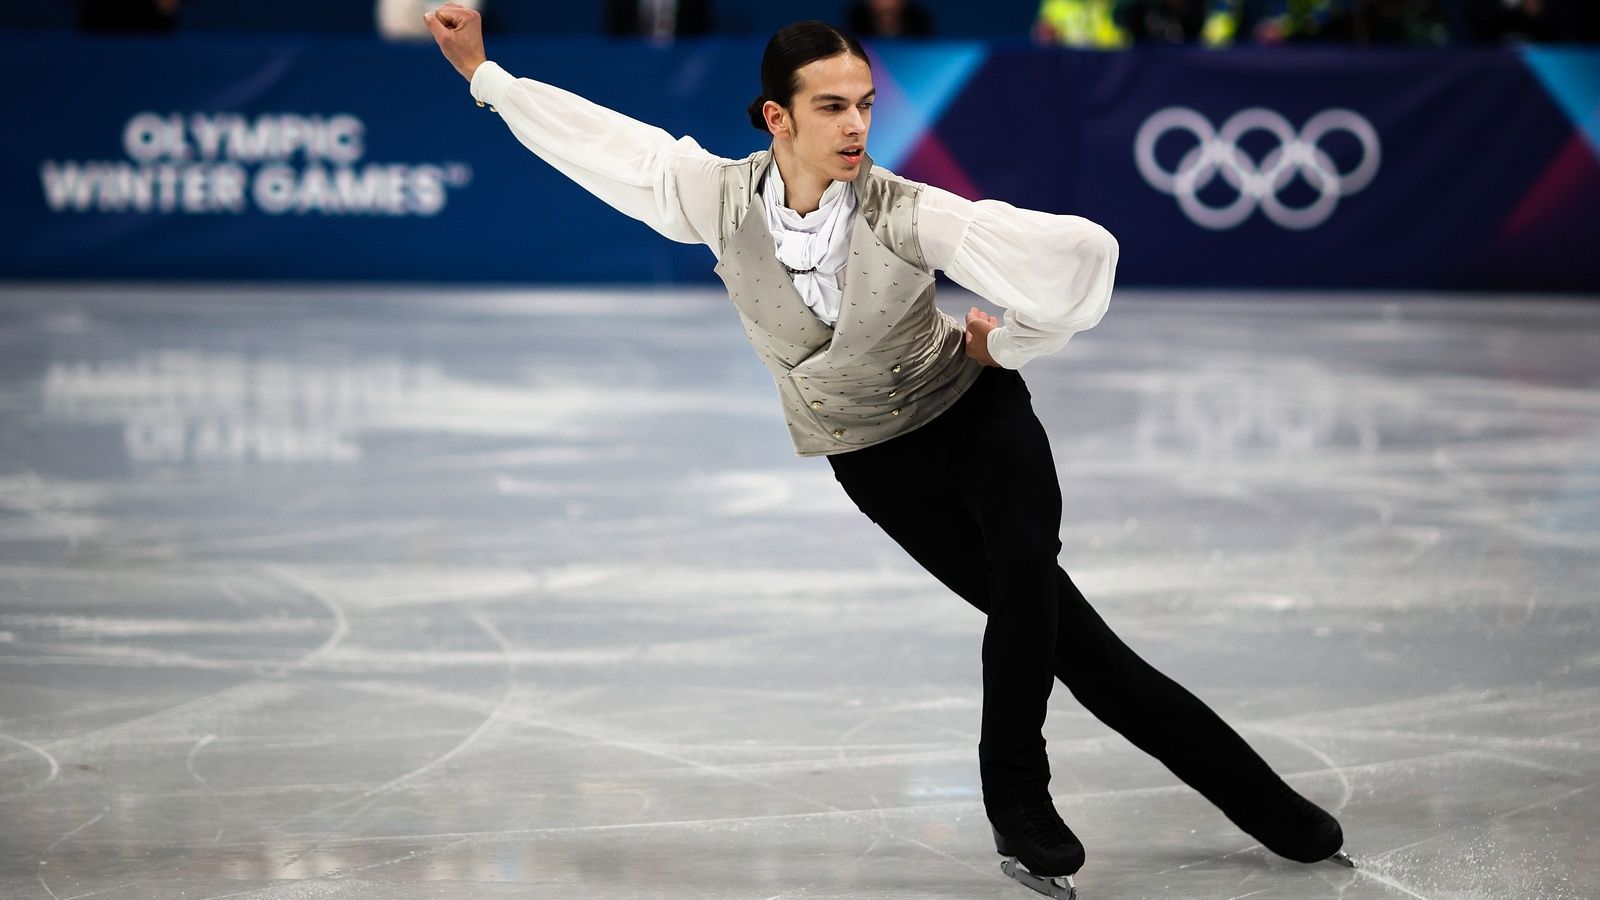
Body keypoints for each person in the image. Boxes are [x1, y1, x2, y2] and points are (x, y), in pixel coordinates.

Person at [424, 3, 1354, 894]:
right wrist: (486, 77)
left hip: (977, 415)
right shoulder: (713, 196)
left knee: (1026, 571)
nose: (856, 124)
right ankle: (1278, 815)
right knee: (1082, 649)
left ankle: (1016, 798)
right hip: (876, 460)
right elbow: (605, 146)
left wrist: (1010, 345)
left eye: (865, 104)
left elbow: (1079, 260)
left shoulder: (910, 210)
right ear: (777, 118)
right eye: (832, 106)